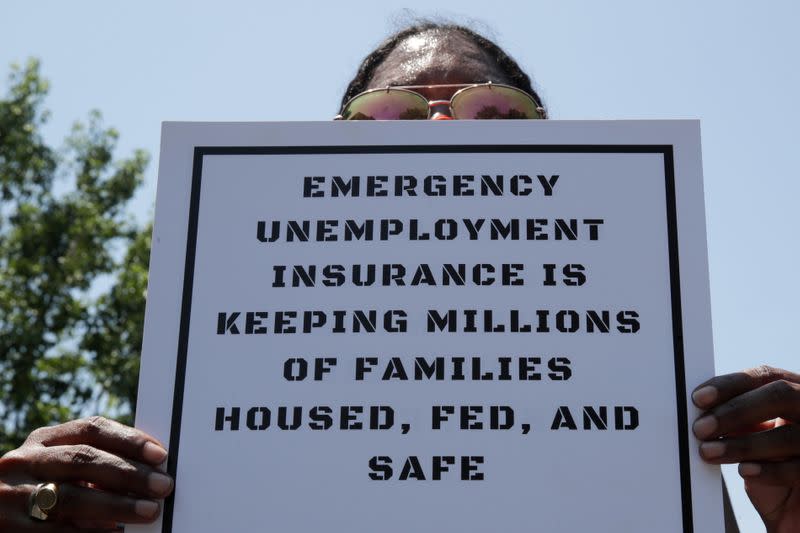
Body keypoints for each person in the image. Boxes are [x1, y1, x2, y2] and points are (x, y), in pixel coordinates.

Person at [1, 21, 797, 533]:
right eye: (395, 111)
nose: (444, 127)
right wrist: (29, 516)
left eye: (492, 109)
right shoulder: (191, 439)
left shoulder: (664, 448)